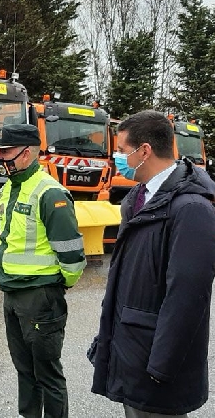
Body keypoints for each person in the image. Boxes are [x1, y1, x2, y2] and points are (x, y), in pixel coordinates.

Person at [90, 110, 215, 417]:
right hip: (133, 353)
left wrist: (162, 365)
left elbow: (186, 298)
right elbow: (123, 281)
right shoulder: (137, 199)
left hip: (154, 365)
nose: (118, 158)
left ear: (144, 150)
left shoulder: (191, 209)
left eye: (121, 150)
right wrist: (106, 339)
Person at [0, 124, 86, 418]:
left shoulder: (51, 193)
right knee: (24, 370)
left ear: (27, 153)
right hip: (13, 293)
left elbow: (71, 254)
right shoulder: (9, 188)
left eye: (6, 152)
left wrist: (58, 286)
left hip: (41, 296)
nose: (1, 158)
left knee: (47, 374)